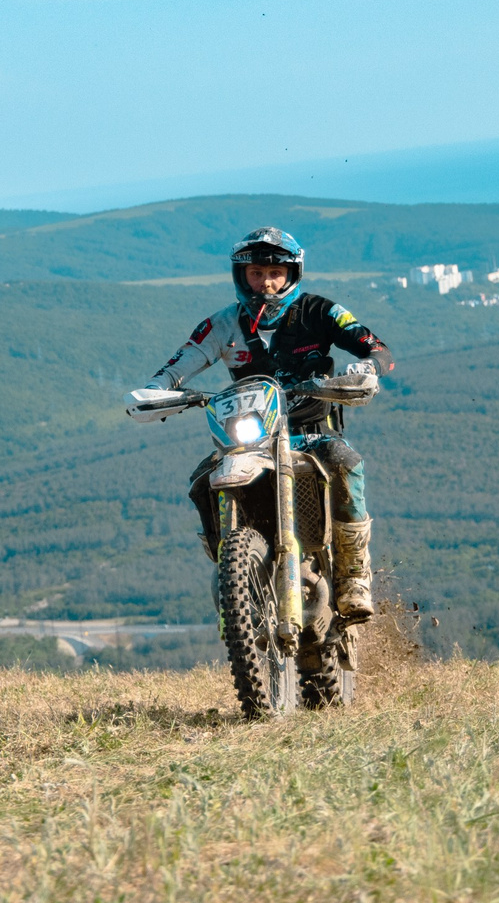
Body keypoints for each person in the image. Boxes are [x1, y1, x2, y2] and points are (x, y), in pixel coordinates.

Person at [145, 227, 395, 621]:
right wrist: (154, 391)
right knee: (202, 481)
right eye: (257, 273)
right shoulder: (222, 324)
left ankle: (353, 575)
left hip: (311, 433)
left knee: (347, 463)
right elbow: (178, 365)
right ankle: (233, 568)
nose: (266, 282)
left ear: (292, 273)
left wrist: (368, 367)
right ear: (242, 276)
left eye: (275, 273)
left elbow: (377, 348)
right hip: (249, 441)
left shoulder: (321, 311)